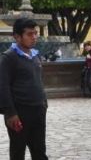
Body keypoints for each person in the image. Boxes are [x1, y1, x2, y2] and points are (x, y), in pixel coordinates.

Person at [0, 18, 49, 160]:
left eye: (35, 33)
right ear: (16, 36)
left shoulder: (35, 55)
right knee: (18, 152)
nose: (34, 37)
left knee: (39, 151)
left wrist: (44, 102)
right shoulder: (9, 58)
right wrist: (10, 113)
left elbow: (39, 80)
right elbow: (3, 87)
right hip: (19, 113)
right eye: (29, 34)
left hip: (38, 110)